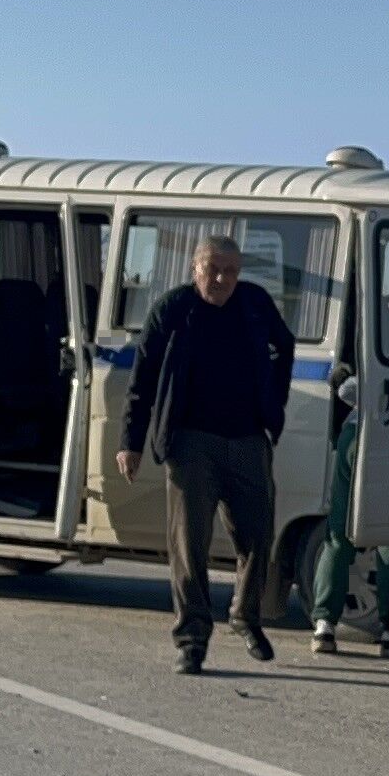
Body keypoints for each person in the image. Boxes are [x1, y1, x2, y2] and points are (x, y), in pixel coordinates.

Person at [117, 234, 295, 675]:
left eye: (230, 271)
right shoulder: (173, 310)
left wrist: (273, 409)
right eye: (212, 269)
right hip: (191, 442)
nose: (221, 278)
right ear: (195, 268)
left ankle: (245, 616)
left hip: (248, 440)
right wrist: (130, 442)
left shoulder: (254, 304)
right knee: (188, 544)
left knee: (257, 536)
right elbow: (142, 380)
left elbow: (284, 347)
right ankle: (192, 638)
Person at [306, 361, 389, 657]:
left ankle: (324, 624)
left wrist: (348, 377)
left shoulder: (377, 355)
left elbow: (348, 389)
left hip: (355, 434)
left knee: (339, 537)